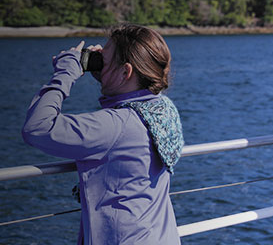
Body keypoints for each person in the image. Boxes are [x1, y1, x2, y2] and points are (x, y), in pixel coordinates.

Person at [22, 24, 184, 244]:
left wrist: (66, 73)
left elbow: (38, 127)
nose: (98, 63)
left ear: (126, 72)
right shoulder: (163, 111)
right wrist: (110, 75)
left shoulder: (116, 125)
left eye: (104, 61)